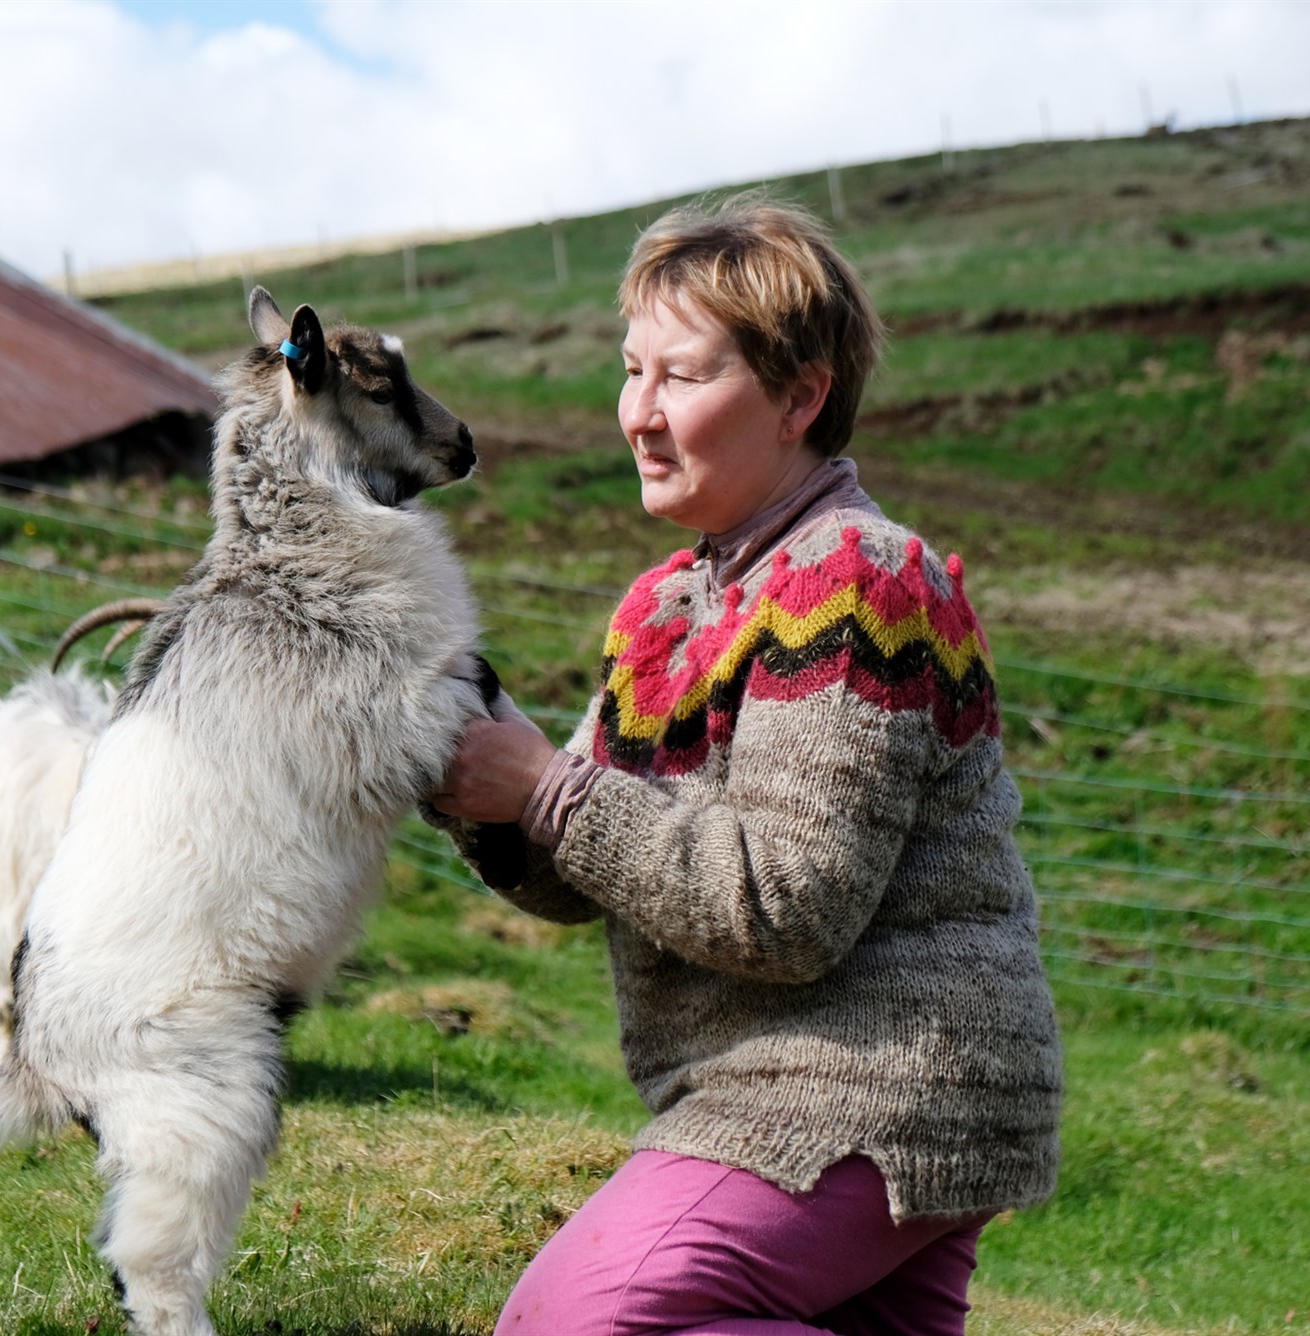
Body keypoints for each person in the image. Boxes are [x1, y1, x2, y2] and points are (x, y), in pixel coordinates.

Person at [430, 194, 1062, 1336]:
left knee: (575, 1325)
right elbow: (579, 871)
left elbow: (783, 906)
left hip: (867, 1083)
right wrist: (463, 762)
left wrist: (542, 786)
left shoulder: (857, 579)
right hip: (780, 1079)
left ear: (798, 396)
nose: (638, 413)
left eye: (680, 376)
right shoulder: (665, 608)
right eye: (630, 370)